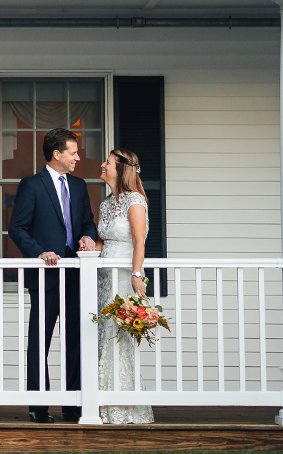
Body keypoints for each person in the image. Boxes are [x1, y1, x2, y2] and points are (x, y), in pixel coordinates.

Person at [7, 127, 98, 424]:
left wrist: (87, 238)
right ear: (57, 154)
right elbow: (18, 228)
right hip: (46, 276)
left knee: (75, 340)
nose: (78, 157)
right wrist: (39, 252)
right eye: (73, 152)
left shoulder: (80, 185)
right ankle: (39, 406)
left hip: (76, 275)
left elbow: (88, 223)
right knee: (40, 341)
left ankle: (73, 406)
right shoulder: (32, 185)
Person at [96, 147, 154, 424]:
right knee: (103, 334)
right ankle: (103, 402)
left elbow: (139, 241)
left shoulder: (135, 200)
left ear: (121, 169)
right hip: (103, 276)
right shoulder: (106, 203)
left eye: (107, 162)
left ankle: (126, 404)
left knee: (119, 336)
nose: (103, 165)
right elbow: (103, 241)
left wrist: (136, 273)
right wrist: (89, 244)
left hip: (123, 276)